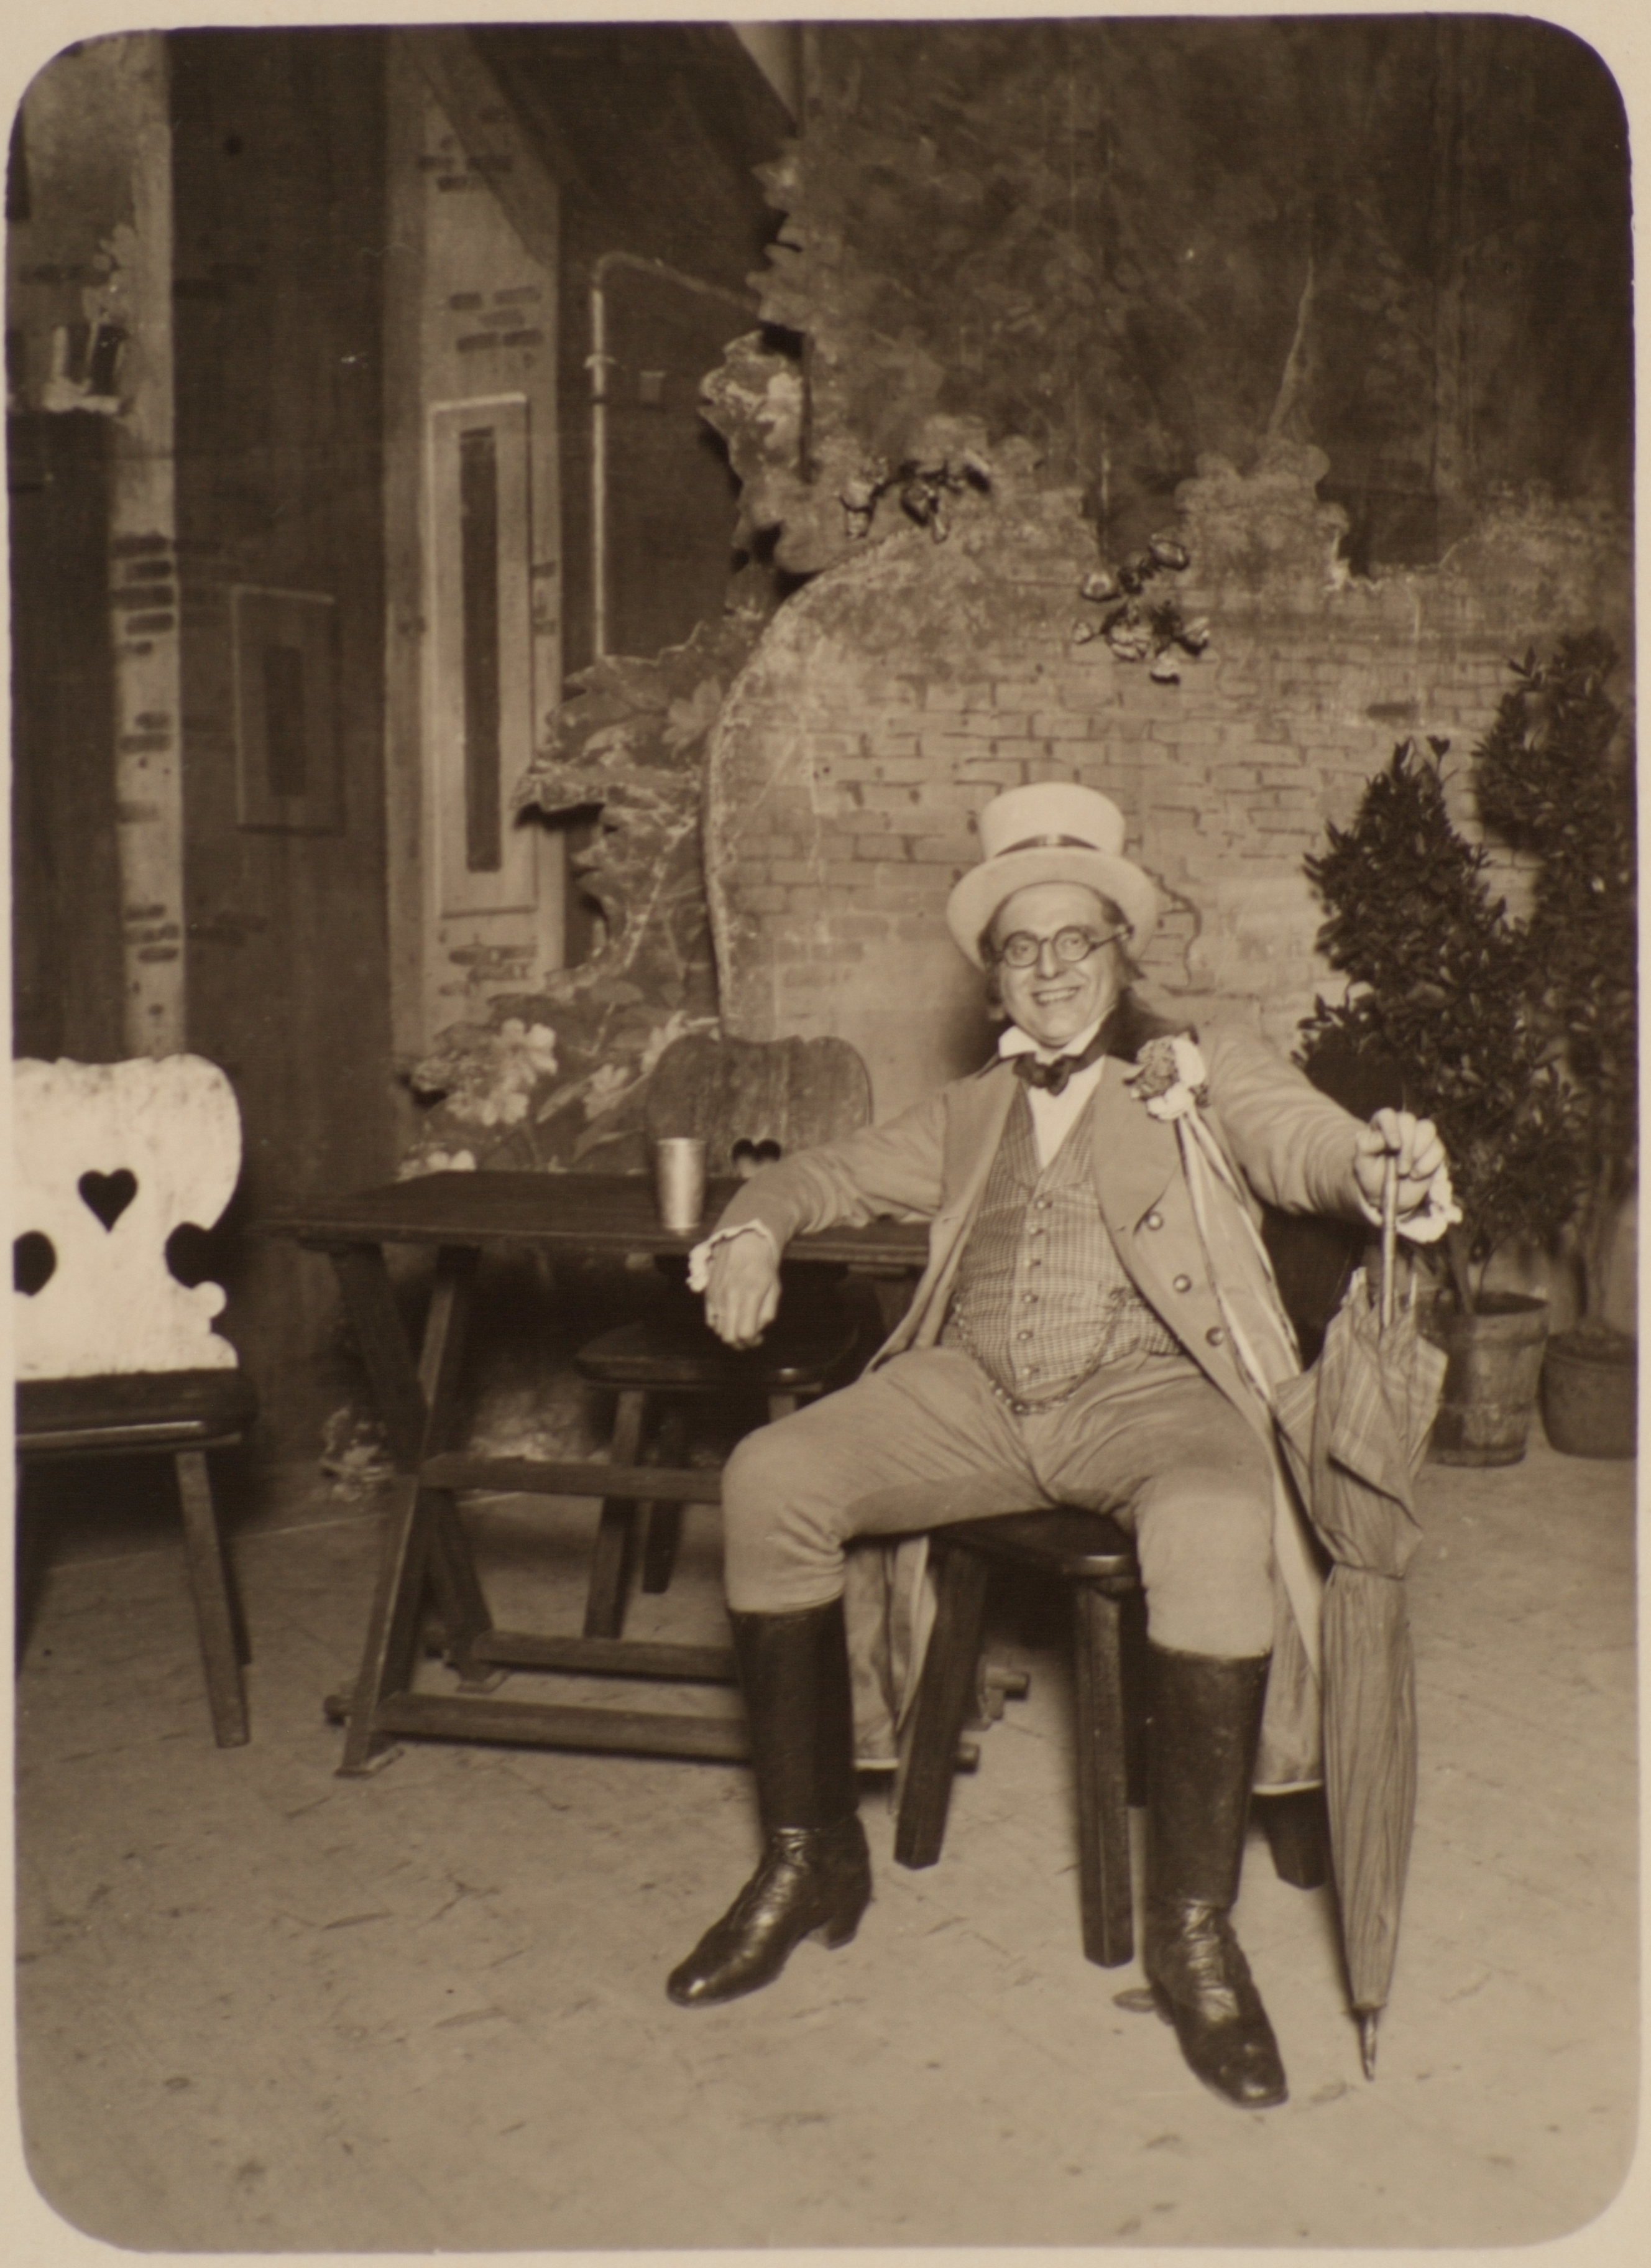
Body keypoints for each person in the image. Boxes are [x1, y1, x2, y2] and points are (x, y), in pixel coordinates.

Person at [668, 781, 1453, 2110]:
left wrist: (1378, 1172)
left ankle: (1191, 1935)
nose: (1047, 971)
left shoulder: (1199, 1072)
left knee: (1215, 1523)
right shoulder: (971, 1108)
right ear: (992, 978)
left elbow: (1305, 1144)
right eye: (1019, 949)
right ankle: (809, 1857)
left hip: (1149, 1396)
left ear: (1118, 954)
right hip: (973, 1391)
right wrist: (750, 1229)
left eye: (1073, 941)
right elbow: (826, 1172)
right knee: (769, 1478)